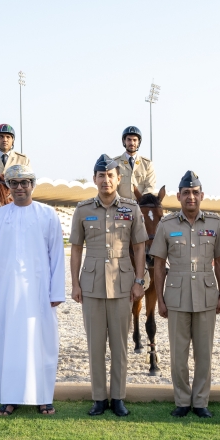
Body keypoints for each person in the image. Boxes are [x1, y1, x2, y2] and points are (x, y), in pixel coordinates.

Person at [0, 165, 65, 416]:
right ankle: (10, 397)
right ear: (8, 187)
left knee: (42, 343)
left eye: (25, 182)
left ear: (32, 184)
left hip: (39, 293)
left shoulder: (47, 214)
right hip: (7, 294)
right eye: (15, 183)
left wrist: (56, 292)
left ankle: (43, 397)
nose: (20, 187)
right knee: (9, 345)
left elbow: (57, 255)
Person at [69, 155, 148, 416]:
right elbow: (77, 248)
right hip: (91, 283)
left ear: (119, 178)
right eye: (101, 175)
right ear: (94, 179)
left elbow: (139, 247)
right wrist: (75, 283)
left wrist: (139, 280)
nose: (106, 180)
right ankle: (99, 398)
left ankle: (118, 398)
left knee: (119, 345)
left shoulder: (131, 208)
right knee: (95, 345)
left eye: (110, 175)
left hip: (122, 283)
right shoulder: (83, 210)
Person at [150, 170, 220, 418]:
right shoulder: (166, 224)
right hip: (176, 294)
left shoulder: (215, 223)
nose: (191, 197)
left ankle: (201, 401)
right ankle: (183, 401)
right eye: (186, 193)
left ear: (202, 195)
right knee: (178, 353)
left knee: (204, 352)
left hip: (207, 293)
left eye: (195, 193)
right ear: (179, 196)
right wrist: (160, 300)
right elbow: (159, 264)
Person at [113, 126, 157, 201]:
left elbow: (150, 186)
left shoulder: (147, 164)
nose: (132, 143)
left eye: (135, 140)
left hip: (141, 206)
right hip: (120, 206)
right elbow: (112, 186)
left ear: (138, 142)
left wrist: (141, 200)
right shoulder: (114, 163)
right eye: (129, 140)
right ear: (124, 141)